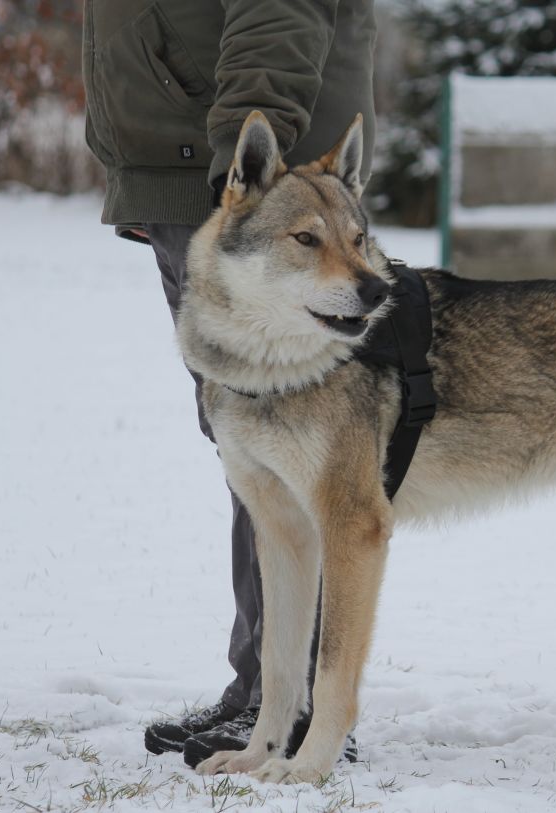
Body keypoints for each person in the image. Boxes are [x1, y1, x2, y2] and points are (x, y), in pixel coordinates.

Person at [81, 0, 377, 769]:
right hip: (206, 172)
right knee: (250, 454)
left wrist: (238, 179)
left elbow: (277, 16)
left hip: (259, 193)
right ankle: (264, 693)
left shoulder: (247, 184)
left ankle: (298, 710)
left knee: (294, 462)